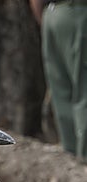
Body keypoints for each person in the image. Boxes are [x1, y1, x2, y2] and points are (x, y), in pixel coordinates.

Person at [30, 0, 87, 161]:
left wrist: (47, 19)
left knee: (61, 94)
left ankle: (71, 160)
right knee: (84, 92)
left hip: (52, 16)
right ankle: (83, 161)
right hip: (79, 14)